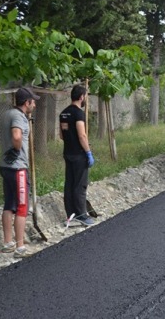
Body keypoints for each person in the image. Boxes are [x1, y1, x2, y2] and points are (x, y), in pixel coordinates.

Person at [0, 87, 39, 258]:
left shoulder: (8, 114)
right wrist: (17, 148)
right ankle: (20, 247)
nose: (35, 104)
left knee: (9, 204)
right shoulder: (18, 117)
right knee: (22, 206)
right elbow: (16, 136)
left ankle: (8, 243)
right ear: (26, 102)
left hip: (5, 166)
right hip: (18, 167)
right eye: (33, 101)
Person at [59, 84, 96, 226]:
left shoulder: (63, 113)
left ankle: (71, 214)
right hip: (79, 154)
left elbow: (61, 135)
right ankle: (81, 215)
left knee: (69, 184)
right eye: (86, 96)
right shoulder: (78, 114)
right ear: (81, 97)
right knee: (80, 185)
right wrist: (88, 152)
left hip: (68, 153)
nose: (86, 98)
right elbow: (82, 135)